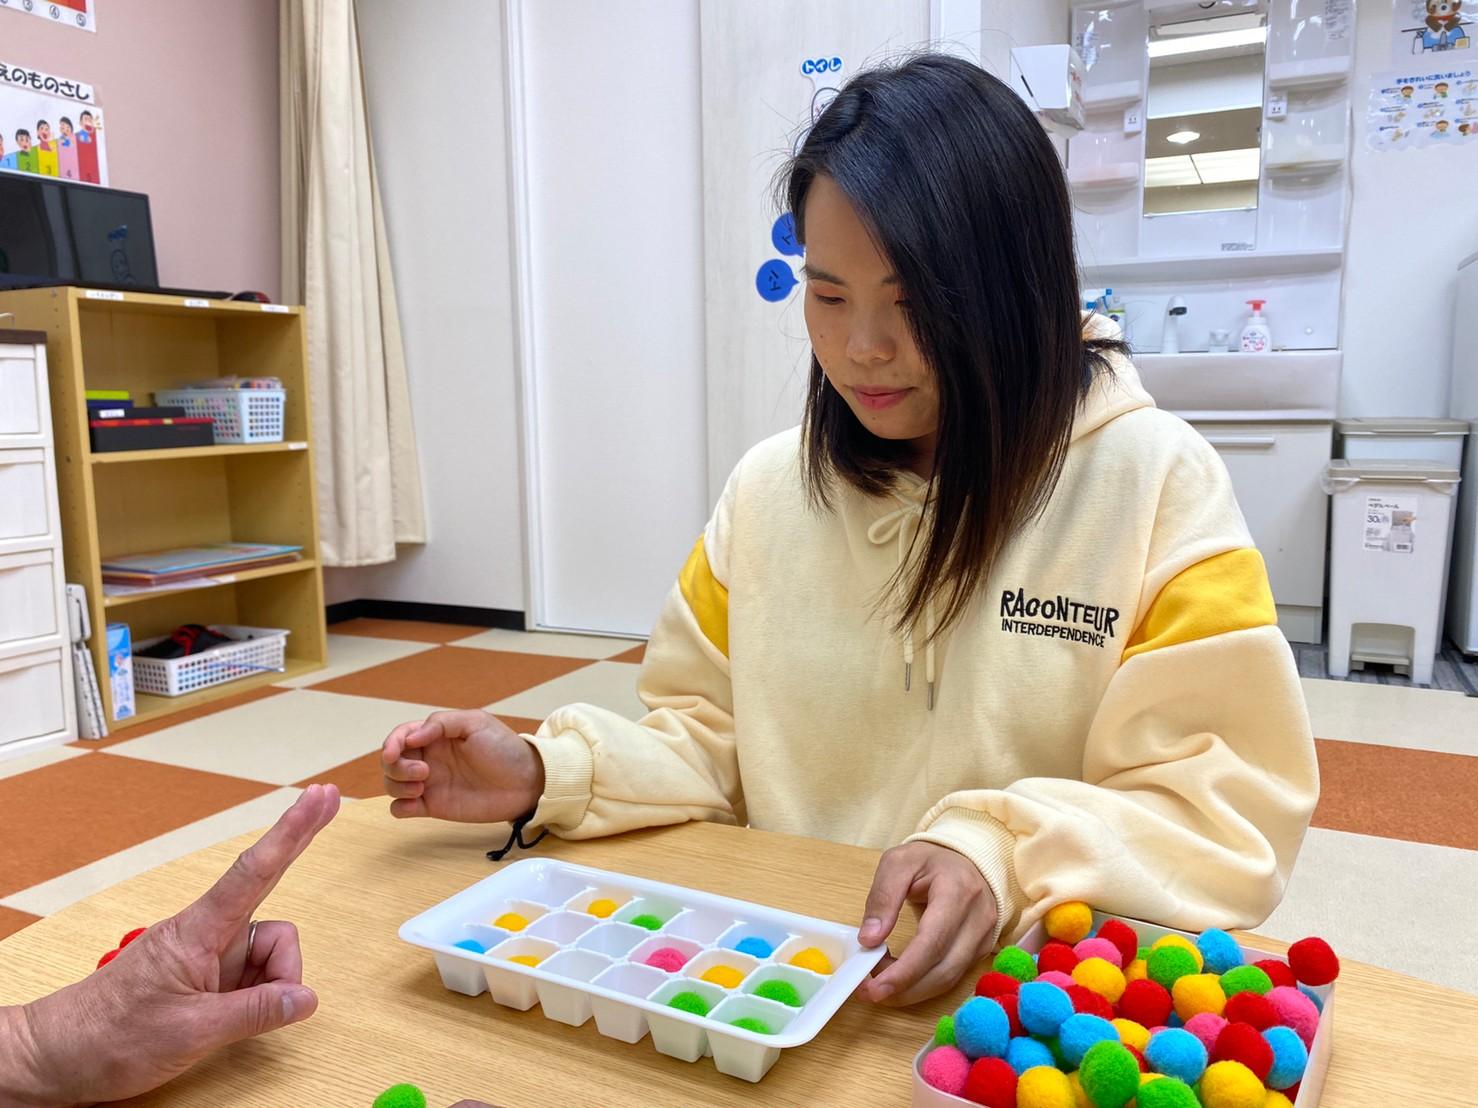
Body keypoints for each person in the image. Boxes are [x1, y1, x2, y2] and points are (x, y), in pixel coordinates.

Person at [381, 53, 1318, 1007]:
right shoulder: (766, 491)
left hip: (1028, 1006)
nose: (863, 348)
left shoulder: (1152, 481)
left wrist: (998, 850)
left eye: (916, 303)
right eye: (828, 296)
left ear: (1020, 287)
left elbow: (1223, 808)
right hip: (780, 981)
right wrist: (549, 770)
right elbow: (708, 741)